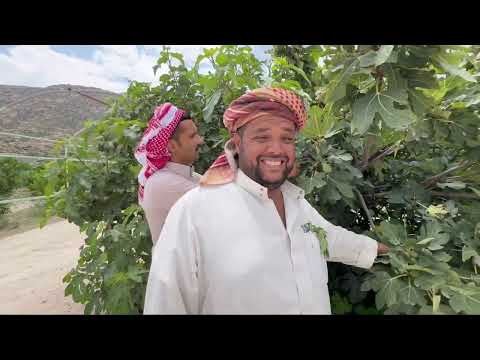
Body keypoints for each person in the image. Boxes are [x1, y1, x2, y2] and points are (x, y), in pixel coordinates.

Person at [144, 88, 389, 314]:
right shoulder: (193, 212)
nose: (276, 149)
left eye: (287, 139)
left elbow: (328, 237)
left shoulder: (296, 202)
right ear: (237, 142)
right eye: (262, 137)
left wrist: (387, 252)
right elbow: (165, 303)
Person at [134, 103, 204, 246]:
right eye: (192, 136)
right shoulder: (163, 182)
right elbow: (226, 203)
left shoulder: (187, 175)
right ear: (172, 146)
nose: (200, 140)